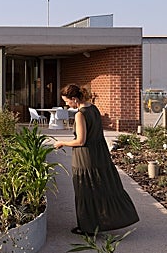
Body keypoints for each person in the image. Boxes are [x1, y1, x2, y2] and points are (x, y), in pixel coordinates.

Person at [53, 84, 139, 235]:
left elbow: (80, 141)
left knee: (85, 190)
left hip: (85, 157)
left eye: (67, 101)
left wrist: (62, 143)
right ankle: (101, 222)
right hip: (100, 154)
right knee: (102, 188)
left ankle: (87, 227)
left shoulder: (80, 114)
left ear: (74, 99)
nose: (66, 104)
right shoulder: (94, 109)